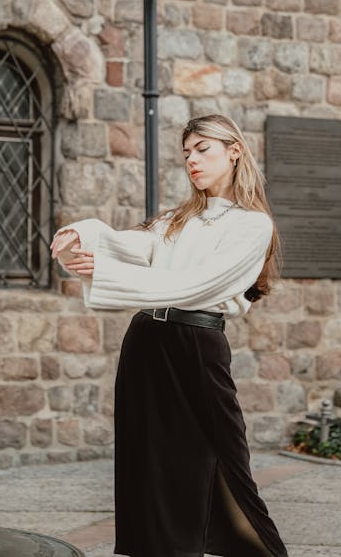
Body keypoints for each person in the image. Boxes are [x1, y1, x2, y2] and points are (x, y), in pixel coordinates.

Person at [50, 114, 289, 557]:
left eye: (203, 150)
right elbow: (129, 244)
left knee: (220, 456)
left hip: (196, 346)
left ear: (234, 151)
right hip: (146, 343)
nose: (192, 161)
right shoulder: (179, 219)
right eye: (186, 154)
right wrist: (83, 234)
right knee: (147, 461)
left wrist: (105, 272)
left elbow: (198, 285)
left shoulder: (252, 225)